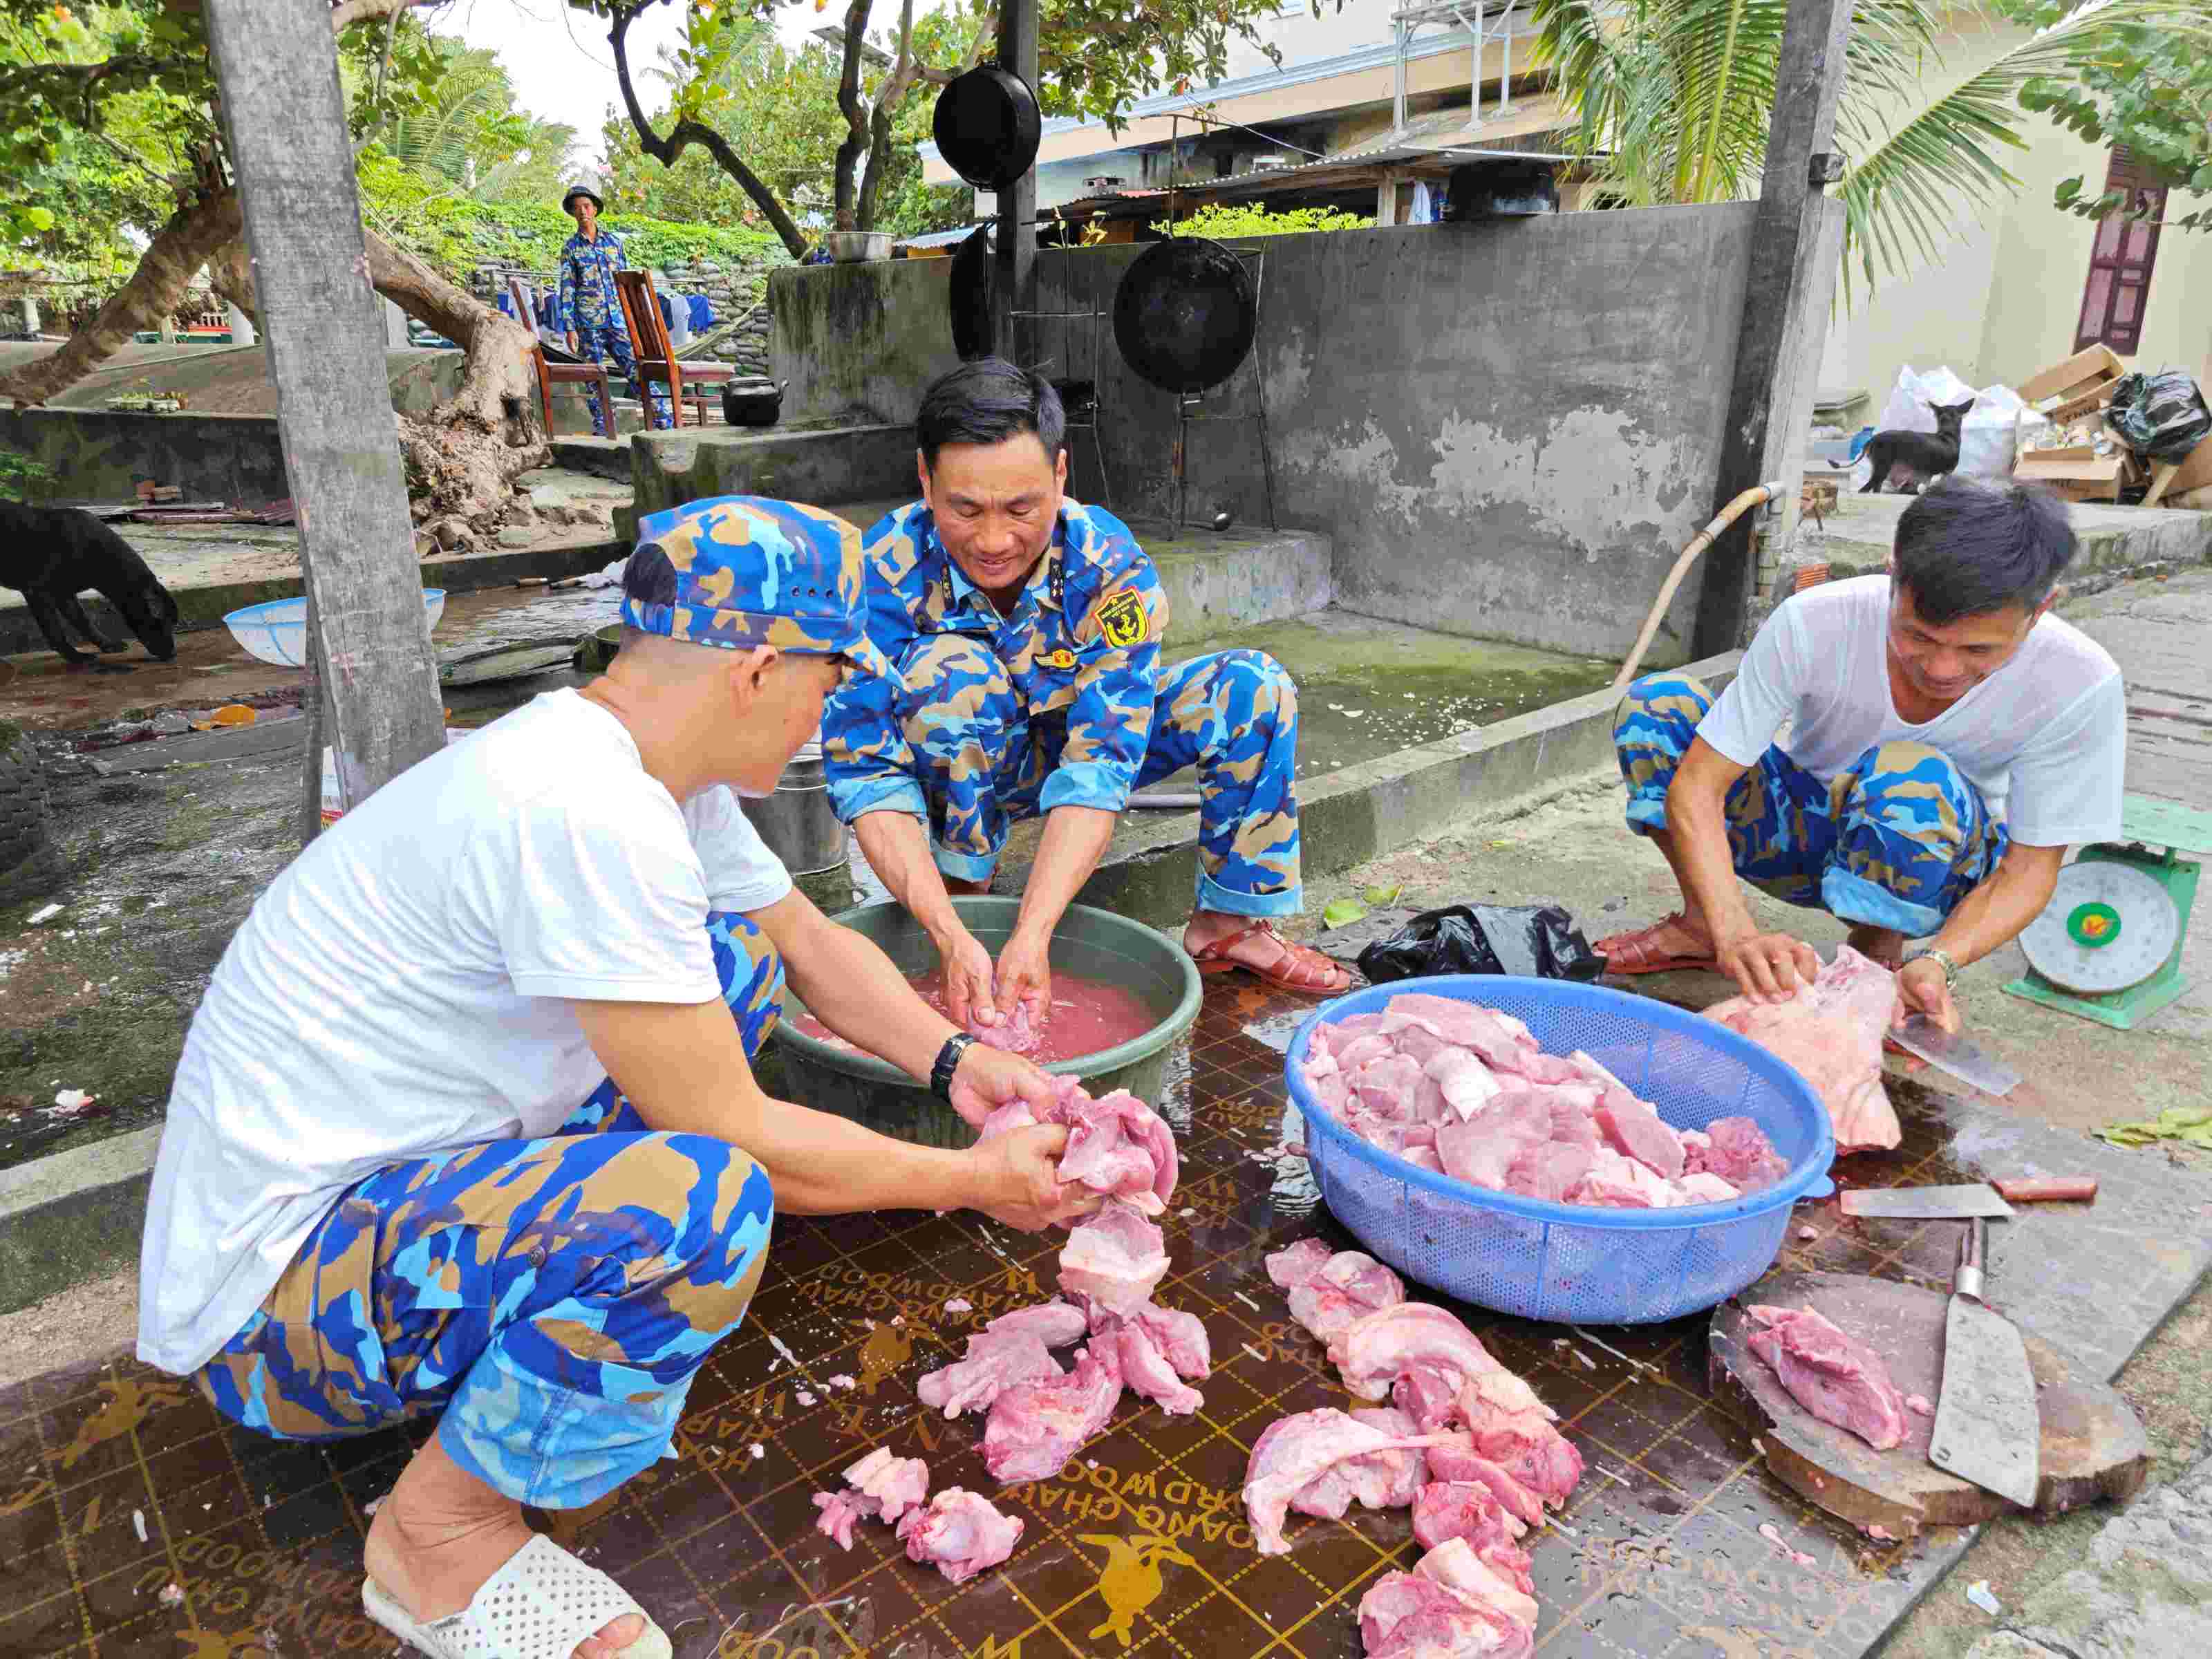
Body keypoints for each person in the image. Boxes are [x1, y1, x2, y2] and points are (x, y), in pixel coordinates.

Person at [136, 496, 1096, 1659]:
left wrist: (957, 1061)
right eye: (830, 674)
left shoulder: (638, 763)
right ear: (756, 667)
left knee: (733, 961)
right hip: (273, 1315)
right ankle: (434, 1538)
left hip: (391, 1186)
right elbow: (726, 1130)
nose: (830, 706)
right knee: (707, 1201)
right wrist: (970, 1180)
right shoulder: (585, 812)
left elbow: (805, 944)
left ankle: (556, 1302)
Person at [821, 357, 1349, 1038]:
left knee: (1252, 687)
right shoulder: (882, 568)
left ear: (1060, 475)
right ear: (925, 480)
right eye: (964, 508)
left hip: (1073, 747)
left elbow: (1100, 765)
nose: (992, 541)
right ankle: (965, 912)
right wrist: (947, 932)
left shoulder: (1107, 563)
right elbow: (866, 770)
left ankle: (1226, 926)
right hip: (964, 765)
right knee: (950, 677)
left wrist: (1036, 932)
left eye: (1021, 508)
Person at [1596, 476, 2125, 1033]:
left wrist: (1941, 959)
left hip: (1939, 871)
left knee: (1909, 772)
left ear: (2040, 610)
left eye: (1978, 649)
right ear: (1893, 573)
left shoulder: (2079, 682)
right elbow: (1700, 785)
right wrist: (1737, 932)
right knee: (1658, 709)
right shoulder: (1815, 621)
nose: (1942, 669)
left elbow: (2030, 869)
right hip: (1807, 842)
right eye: (1917, 635)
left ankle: (1881, 956)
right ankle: (1704, 925)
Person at [555, 184, 669, 435]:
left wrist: (634, 321)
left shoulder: (614, 244)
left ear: (595, 209)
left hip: (618, 321)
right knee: (594, 377)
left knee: (637, 370)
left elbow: (625, 283)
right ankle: (603, 427)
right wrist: (570, 328)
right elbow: (567, 289)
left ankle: (664, 420)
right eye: (577, 208)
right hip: (588, 324)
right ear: (573, 214)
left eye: (586, 206)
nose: (582, 211)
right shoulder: (571, 248)